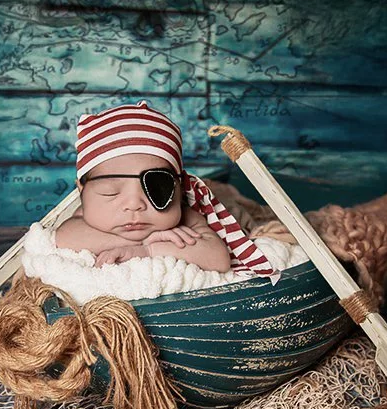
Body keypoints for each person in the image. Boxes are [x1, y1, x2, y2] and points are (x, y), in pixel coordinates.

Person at [55, 101, 277, 278]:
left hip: (226, 207)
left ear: (179, 189)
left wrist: (149, 250)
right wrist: (147, 238)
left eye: (155, 189)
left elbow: (218, 258)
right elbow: (64, 237)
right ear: (82, 191)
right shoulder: (84, 217)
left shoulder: (187, 218)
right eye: (110, 192)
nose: (135, 204)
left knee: (245, 211)